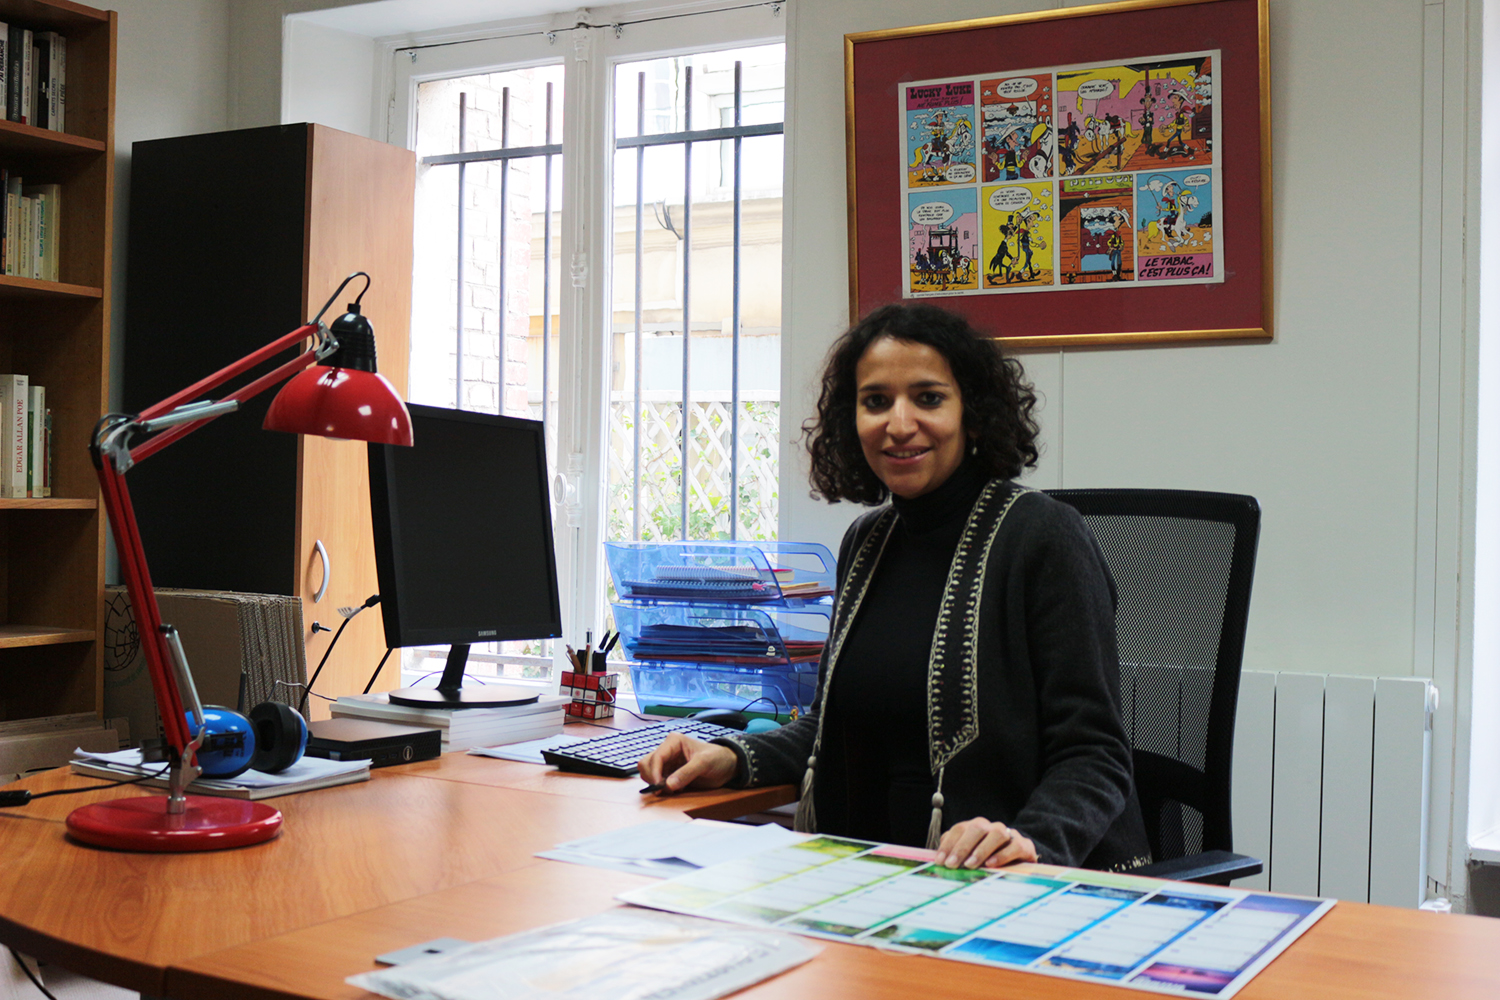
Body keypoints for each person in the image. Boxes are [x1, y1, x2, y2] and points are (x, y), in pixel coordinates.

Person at [638, 304, 1151, 873]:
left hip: (1009, 885)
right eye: (875, 401)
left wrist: (1031, 840)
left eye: (928, 397)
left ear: (972, 413)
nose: (899, 424)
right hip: (873, 879)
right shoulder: (867, 542)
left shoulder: (1043, 536)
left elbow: (1095, 753)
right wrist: (732, 755)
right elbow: (831, 724)